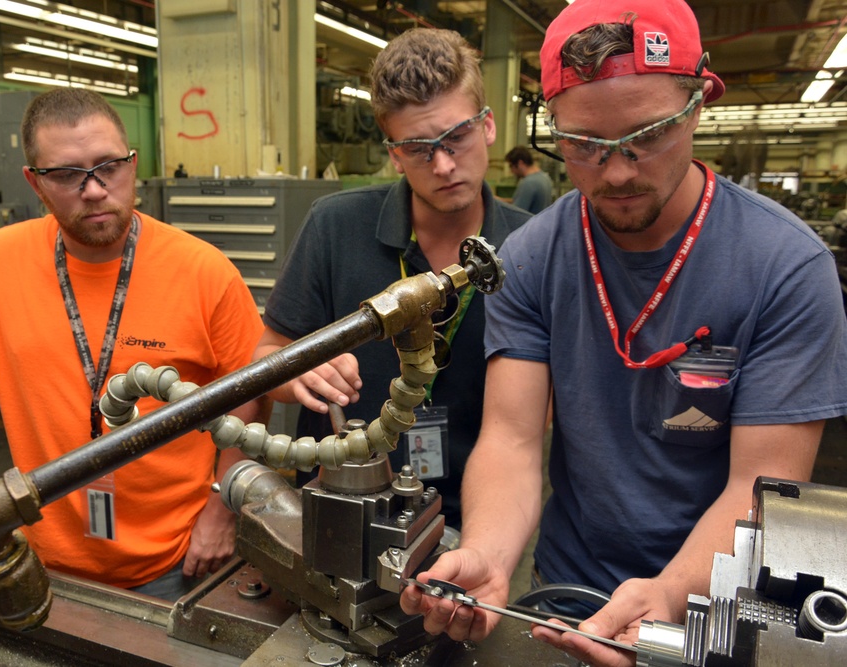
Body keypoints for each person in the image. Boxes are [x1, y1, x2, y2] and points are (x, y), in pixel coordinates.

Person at [401, 1, 847, 665]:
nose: (615, 171)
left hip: (716, 603)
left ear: (698, 104)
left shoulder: (784, 268)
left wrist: (671, 591)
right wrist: (490, 552)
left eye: (646, 135)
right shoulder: (530, 256)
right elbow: (514, 437)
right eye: (583, 144)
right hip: (568, 591)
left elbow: (760, 488)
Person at [0, 88, 265, 601]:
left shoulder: (204, 272)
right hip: (41, 556)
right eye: (67, 174)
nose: (94, 189)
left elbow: (250, 392)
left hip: (177, 559)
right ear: (34, 183)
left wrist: (222, 510)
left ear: (132, 163)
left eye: (109, 165)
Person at [254, 28, 531, 528]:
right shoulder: (334, 226)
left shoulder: (531, 247)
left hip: (472, 517)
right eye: (419, 148)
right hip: (337, 504)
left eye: (457, 138)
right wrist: (293, 373)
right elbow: (267, 354)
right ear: (393, 153)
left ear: (487, 126)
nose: (444, 164)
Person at [505, 145, 554, 213]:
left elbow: (516, 213)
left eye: (511, 166)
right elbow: (522, 199)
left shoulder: (528, 183)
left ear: (520, 163)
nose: (511, 171)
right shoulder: (545, 178)